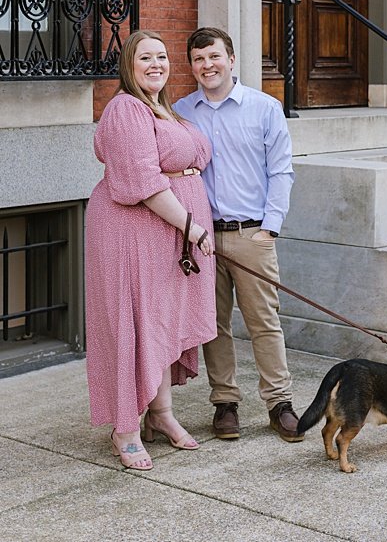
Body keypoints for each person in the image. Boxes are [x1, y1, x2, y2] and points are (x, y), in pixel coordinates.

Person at [85, 29, 217, 470]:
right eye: (146, 58)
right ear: (129, 65)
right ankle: (125, 428)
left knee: (161, 323)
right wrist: (192, 227)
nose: (156, 64)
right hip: (132, 233)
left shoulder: (163, 109)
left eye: (162, 56)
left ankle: (161, 414)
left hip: (162, 236)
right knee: (135, 324)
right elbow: (143, 182)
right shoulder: (126, 108)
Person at [174, 25, 300, 442]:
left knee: (264, 321)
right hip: (203, 238)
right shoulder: (180, 112)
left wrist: (271, 227)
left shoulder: (265, 108)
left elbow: (281, 171)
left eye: (214, 57)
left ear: (230, 59)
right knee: (213, 324)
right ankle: (225, 403)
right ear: (191, 66)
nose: (206, 65)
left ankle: (279, 403)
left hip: (251, 235)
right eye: (198, 59)